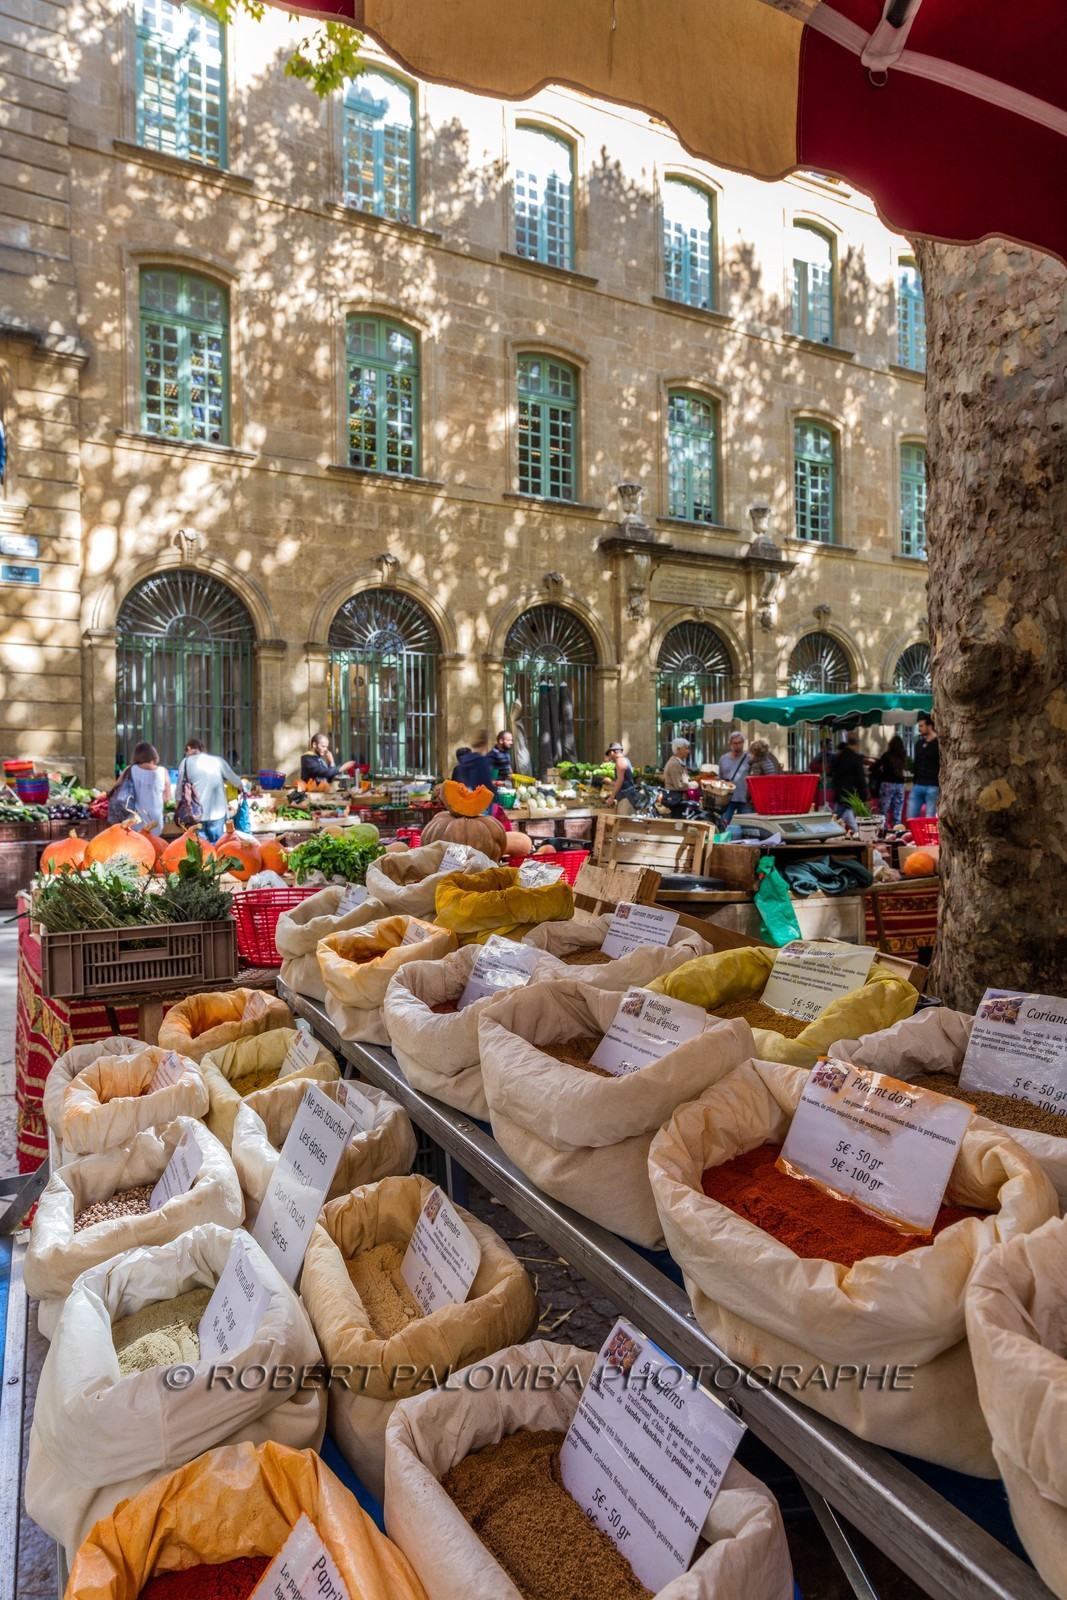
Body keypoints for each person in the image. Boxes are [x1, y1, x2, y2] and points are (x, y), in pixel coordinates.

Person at [177, 738, 246, 844]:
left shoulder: (185, 762)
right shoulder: (218, 761)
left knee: (200, 848)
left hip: (195, 814)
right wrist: (244, 791)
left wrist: (178, 809)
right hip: (217, 813)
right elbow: (237, 782)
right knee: (218, 846)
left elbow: (179, 790)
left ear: (189, 749)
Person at [112, 742, 170, 834]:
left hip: (134, 820)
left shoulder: (130, 769)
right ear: (154, 755)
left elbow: (116, 788)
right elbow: (167, 798)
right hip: (155, 821)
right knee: (153, 846)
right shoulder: (163, 771)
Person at [828, 730, 868, 833]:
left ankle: (857, 834)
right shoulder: (856, 758)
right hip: (851, 793)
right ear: (857, 743)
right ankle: (830, 832)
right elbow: (860, 778)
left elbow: (832, 774)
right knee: (837, 818)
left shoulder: (838, 758)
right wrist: (864, 796)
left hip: (840, 792)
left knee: (845, 817)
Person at [869, 734, 908, 828]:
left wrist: (881, 771)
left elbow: (873, 768)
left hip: (887, 784)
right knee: (897, 812)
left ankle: (883, 832)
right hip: (900, 785)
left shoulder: (886, 755)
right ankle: (897, 832)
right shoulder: (902, 755)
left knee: (883, 812)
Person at [908, 715, 940, 819]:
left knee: (930, 818)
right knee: (911, 817)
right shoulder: (919, 743)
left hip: (933, 786)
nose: (919, 728)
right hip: (918, 785)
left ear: (929, 726)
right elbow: (916, 763)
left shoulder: (938, 743)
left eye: (921, 726)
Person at [453, 730, 495, 803]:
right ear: (487, 743)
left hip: (463, 802)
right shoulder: (483, 762)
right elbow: (487, 787)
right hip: (479, 804)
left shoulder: (463, 761)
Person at [718, 731, 751, 823]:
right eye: (735, 743)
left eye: (740, 743)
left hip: (744, 799)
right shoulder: (723, 759)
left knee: (746, 826)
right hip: (727, 798)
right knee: (723, 824)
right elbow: (720, 778)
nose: (738, 745)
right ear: (730, 744)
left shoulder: (750, 759)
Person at [604, 742, 639, 815]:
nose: (609, 757)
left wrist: (612, 797)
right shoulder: (625, 760)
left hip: (626, 798)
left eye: (609, 755)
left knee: (624, 823)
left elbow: (620, 779)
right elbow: (623, 782)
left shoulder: (619, 761)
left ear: (612, 752)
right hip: (627, 797)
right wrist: (609, 783)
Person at [661, 738, 691, 818]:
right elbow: (679, 785)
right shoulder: (674, 764)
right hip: (676, 800)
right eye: (686, 748)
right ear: (678, 749)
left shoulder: (678, 762)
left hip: (678, 799)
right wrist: (692, 785)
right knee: (678, 823)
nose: (688, 751)